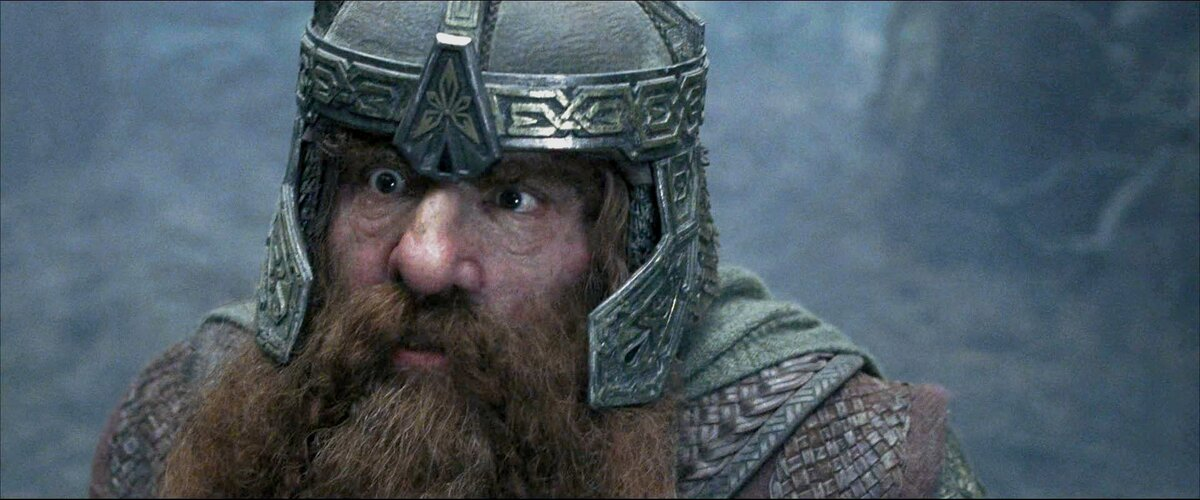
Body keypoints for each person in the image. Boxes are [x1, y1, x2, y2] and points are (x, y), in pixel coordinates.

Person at [89, 2, 985, 497]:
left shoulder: (835, 464)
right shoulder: (181, 420)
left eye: (513, 199)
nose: (424, 261)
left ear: (632, 246)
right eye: (385, 183)